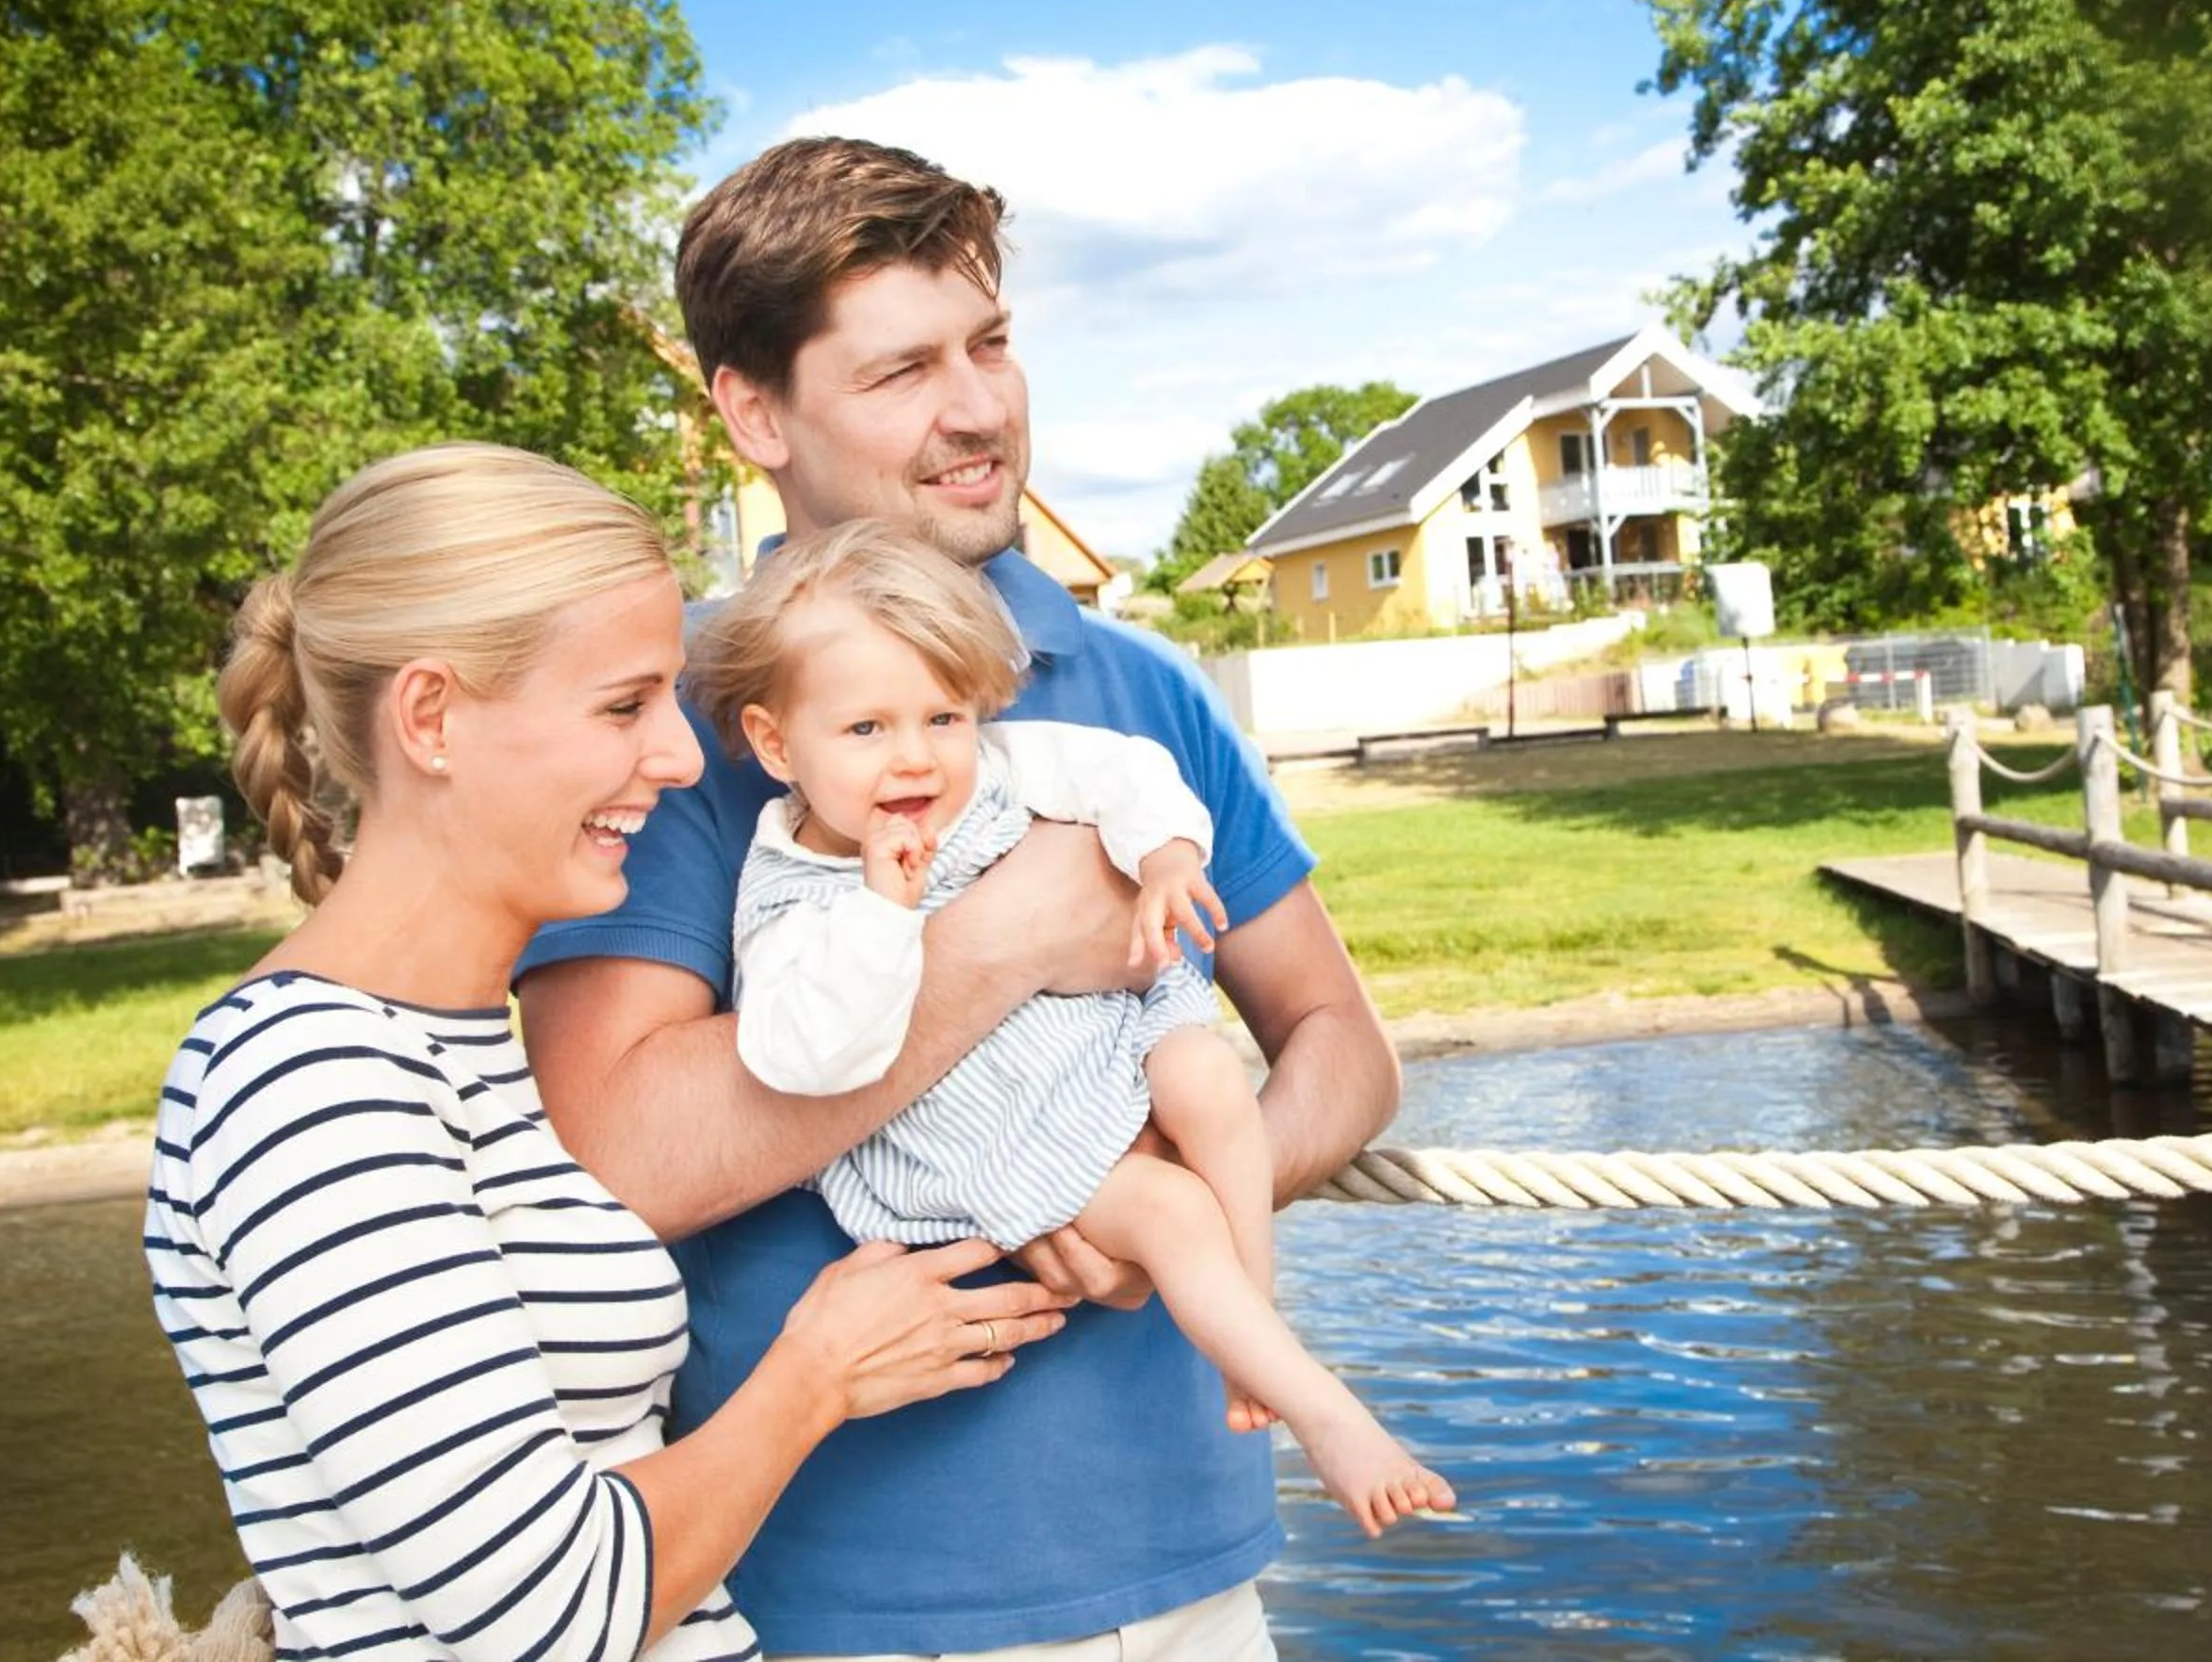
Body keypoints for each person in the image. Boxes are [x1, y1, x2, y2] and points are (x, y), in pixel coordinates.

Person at [516, 137, 1407, 1660]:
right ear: (752, 412)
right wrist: (1000, 944)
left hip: (1195, 1567)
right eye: (904, 369)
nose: (981, 405)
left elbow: (1341, 1040)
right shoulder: (674, 720)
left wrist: (1188, 1194)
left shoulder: (1138, 689)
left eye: (992, 343)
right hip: (849, 1607)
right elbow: (612, 1159)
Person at [144, 444, 1073, 1661]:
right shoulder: (306, 1086)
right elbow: (551, 1616)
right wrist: (819, 1375)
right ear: (432, 718)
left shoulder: (459, 1048)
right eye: (626, 705)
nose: (685, 759)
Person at [687, 520, 1454, 1538]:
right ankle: (1325, 1412)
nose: (916, 756)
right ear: (778, 743)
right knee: (1175, 1215)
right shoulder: (788, 896)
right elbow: (811, 1055)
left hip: (1093, 1036)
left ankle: (1249, 1325)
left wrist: (1172, 853)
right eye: (866, 730)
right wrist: (881, 910)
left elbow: (1128, 771)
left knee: (1210, 1080)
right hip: (982, 1121)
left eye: (942, 716)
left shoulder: (999, 762)